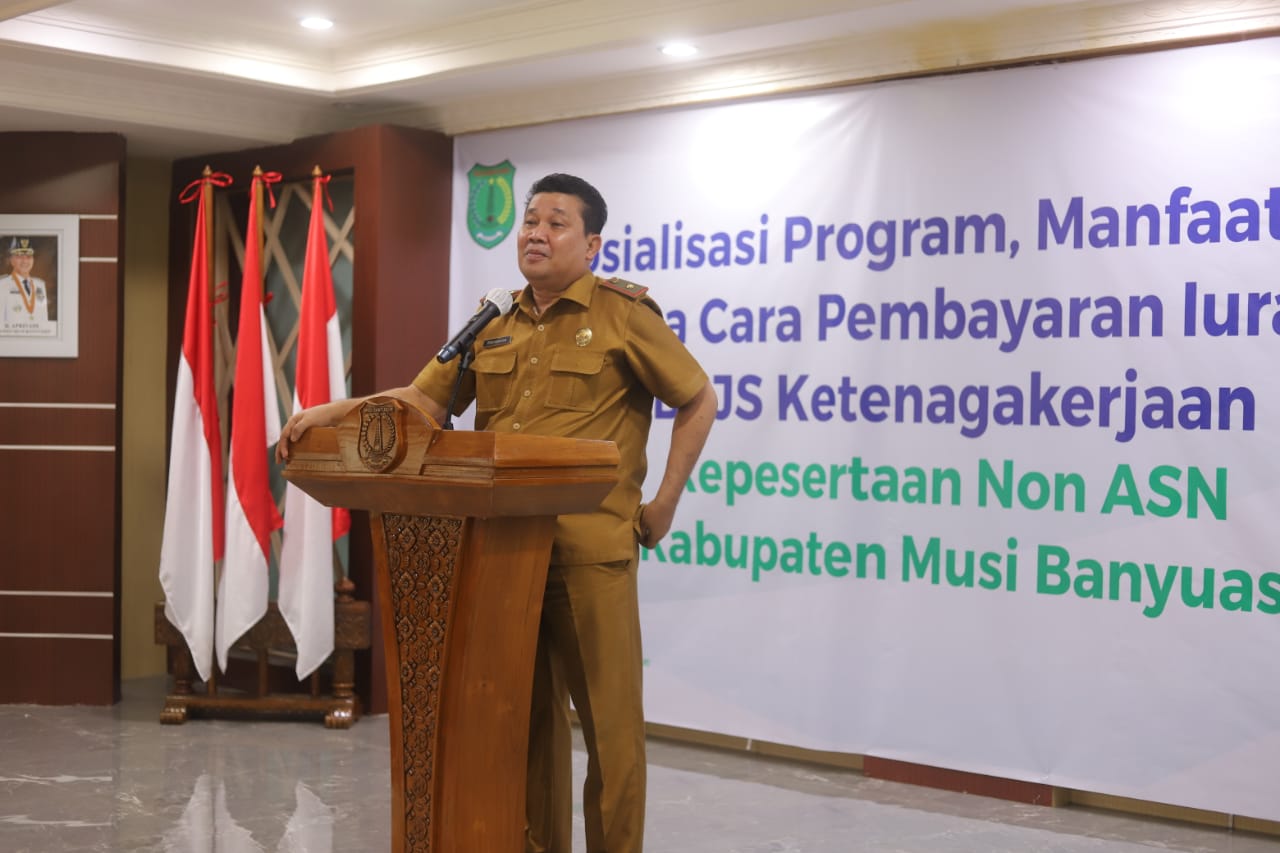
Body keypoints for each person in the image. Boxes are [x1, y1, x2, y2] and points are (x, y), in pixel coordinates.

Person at [277, 172, 716, 853]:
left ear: (592, 244)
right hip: (505, 555)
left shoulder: (625, 315)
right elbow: (424, 402)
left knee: (611, 734)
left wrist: (664, 501)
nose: (536, 233)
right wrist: (331, 412)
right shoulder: (493, 321)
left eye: (556, 223)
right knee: (528, 726)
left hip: (590, 554)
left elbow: (697, 397)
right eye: (530, 221)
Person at [2, 236, 53, 334]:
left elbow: (43, 318)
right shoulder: (2, 285)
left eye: (29, 257)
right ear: (12, 260)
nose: (25, 261)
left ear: (33, 260)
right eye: (20, 256)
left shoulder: (40, 285)